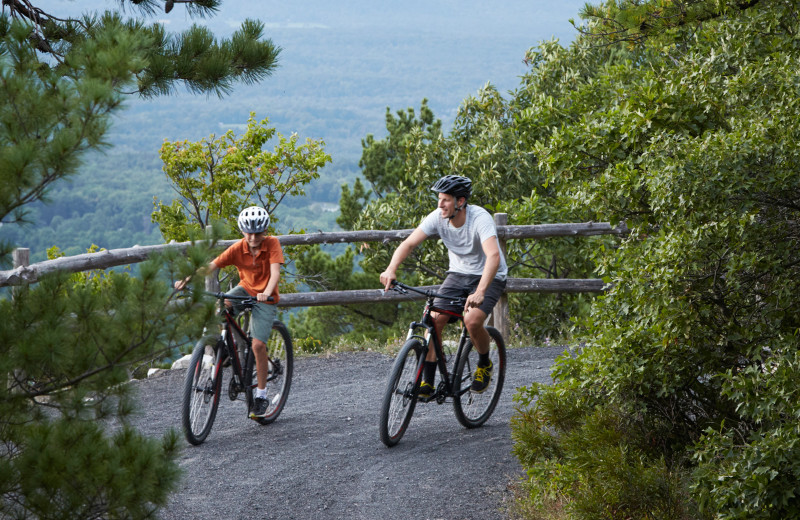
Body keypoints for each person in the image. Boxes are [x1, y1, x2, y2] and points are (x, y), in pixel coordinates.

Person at [380, 175, 507, 398]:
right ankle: (428, 382)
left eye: (446, 200)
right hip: (458, 274)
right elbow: (408, 243)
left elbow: (494, 257)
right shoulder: (437, 217)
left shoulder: (480, 218)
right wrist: (391, 269)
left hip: (489, 274)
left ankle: (485, 363)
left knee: (472, 320)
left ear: (460, 201)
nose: (440, 205)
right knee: (434, 319)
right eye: (439, 199)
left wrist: (480, 291)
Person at [175, 206, 284, 419]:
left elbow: (275, 273)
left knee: (258, 345)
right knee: (220, 310)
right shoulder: (238, 248)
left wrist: (266, 293)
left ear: (265, 231)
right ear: (243, 232)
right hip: (245, 290)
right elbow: (211, 265)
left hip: (265, 298)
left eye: (258, 233)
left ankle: (261, 395)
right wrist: (187, 280)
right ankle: (223, 350)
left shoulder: (272, 244)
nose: (253, 237)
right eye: (249, 233)